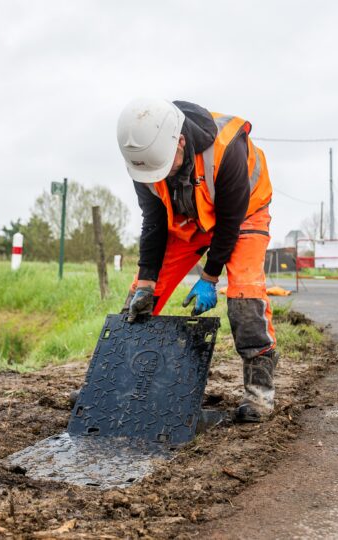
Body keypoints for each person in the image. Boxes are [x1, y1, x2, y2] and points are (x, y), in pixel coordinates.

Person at [116, 98, 278, 423]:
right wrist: (147, 282)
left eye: (164, 166)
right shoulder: (144, 159)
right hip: (189, 218)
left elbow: (230, 222)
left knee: (245, 298)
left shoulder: (226, 150)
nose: (156, 174)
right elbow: (154, 222)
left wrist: (209, 277)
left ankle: (259, 394)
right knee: (140, 298)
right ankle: (114, 383)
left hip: (243, 216)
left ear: (180, 141)